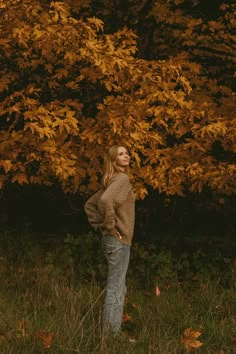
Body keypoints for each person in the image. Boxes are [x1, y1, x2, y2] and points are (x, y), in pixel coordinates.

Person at [84, 145, 135, 335]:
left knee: (118, 286)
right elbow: (105, 201)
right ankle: (111, 336)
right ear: (113, 161)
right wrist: (109, 226)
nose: (126, 155)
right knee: (116, 287)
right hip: (118, 241)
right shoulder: (122, 179)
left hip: (112, 241)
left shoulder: (111, 181)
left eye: (127, 153)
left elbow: (90, 205)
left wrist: (101, 226)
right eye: (121, 154)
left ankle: (111, 332)